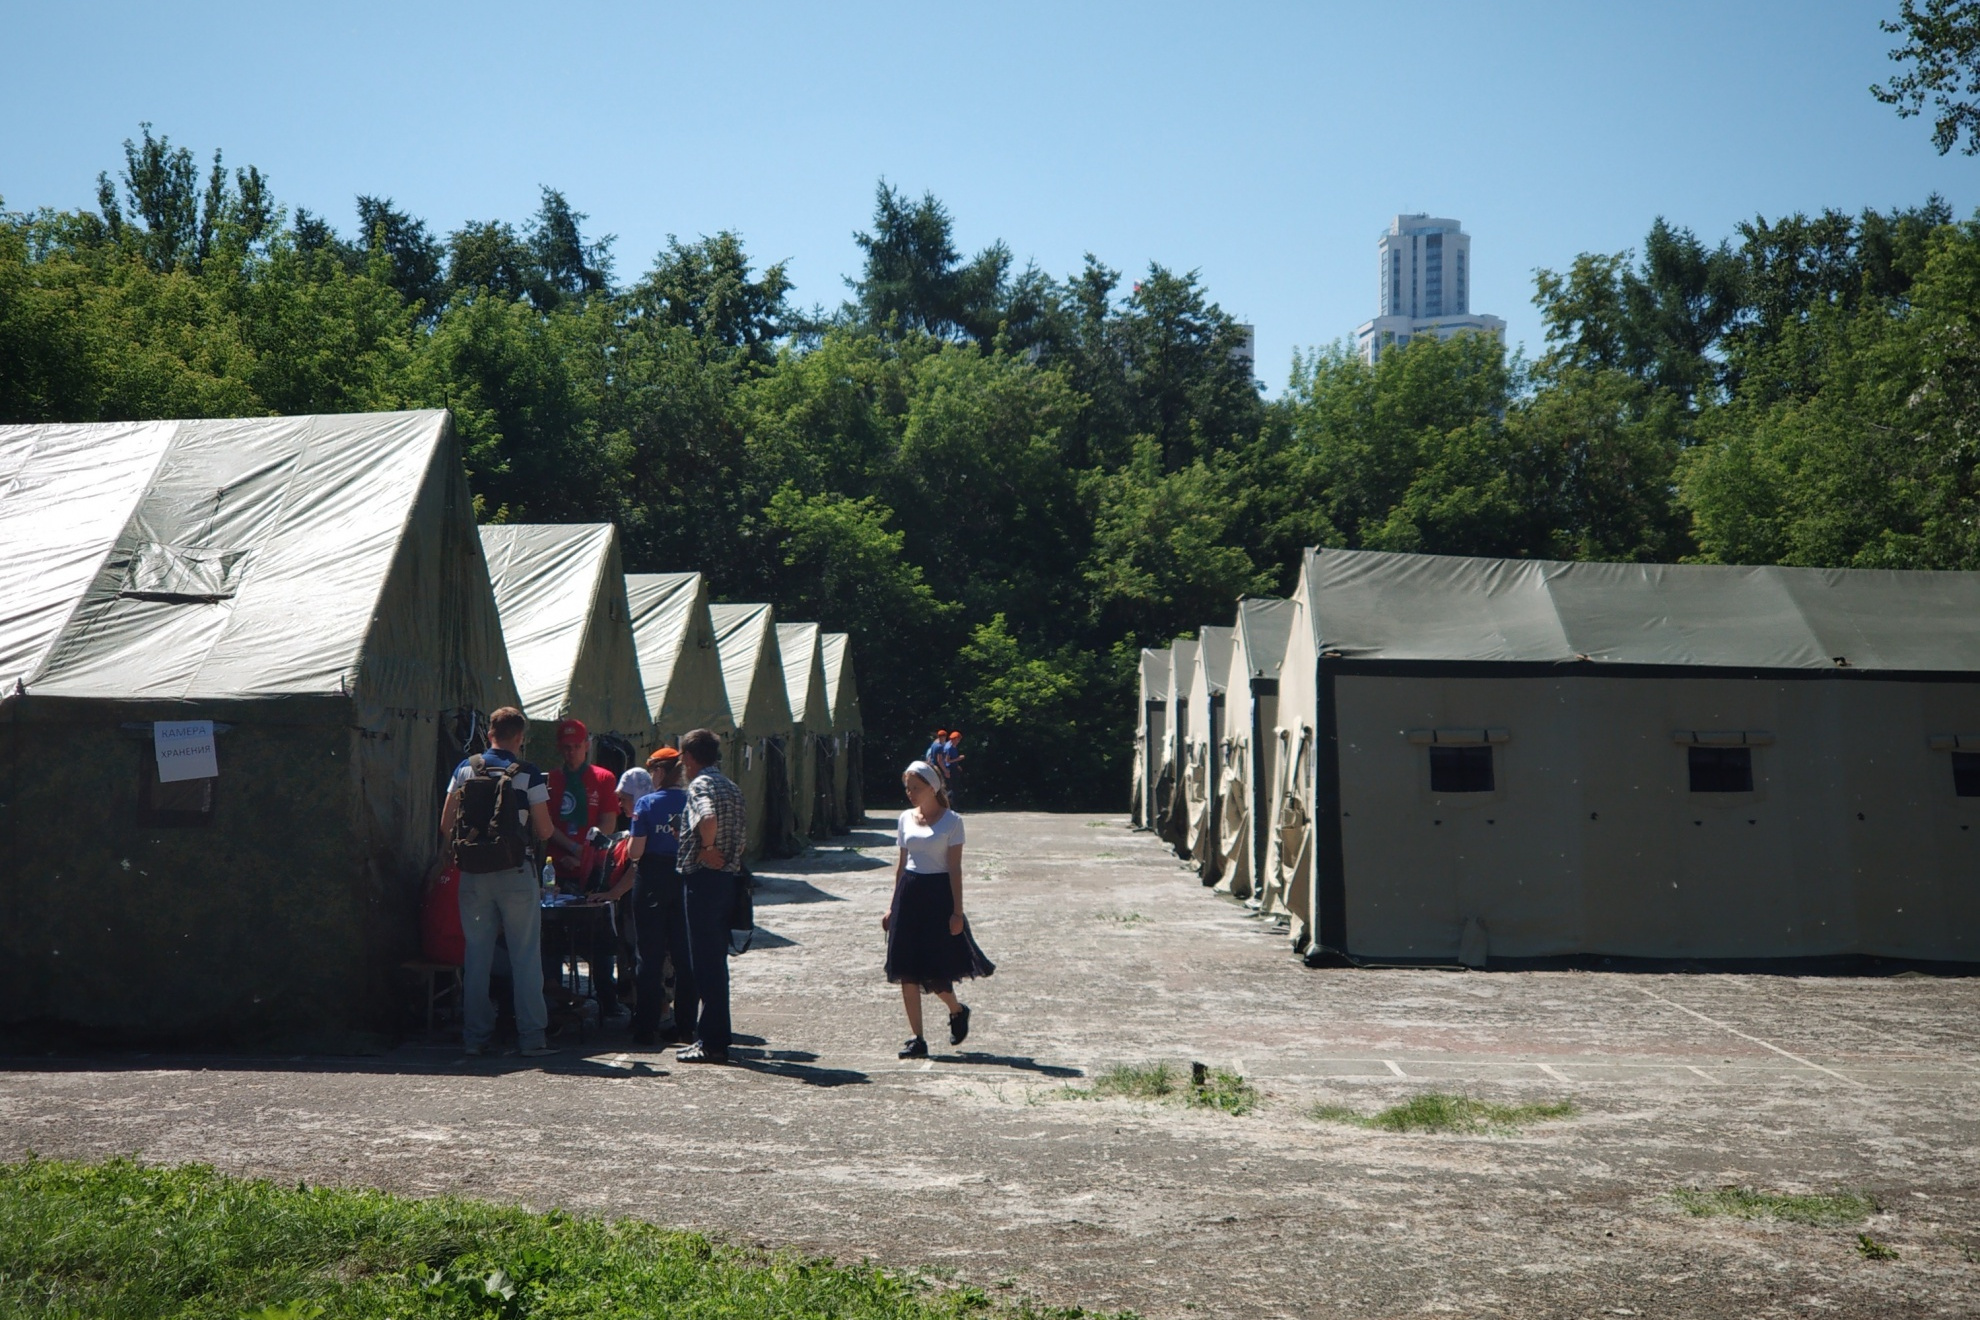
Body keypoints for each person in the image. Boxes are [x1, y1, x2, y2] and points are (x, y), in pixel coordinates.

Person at [440, 706, 555, 1058]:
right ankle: (532, 1038)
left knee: (477, 956)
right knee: (525, 956)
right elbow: (545, 829)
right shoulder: (529, 774)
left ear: (489, 733)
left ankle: (475, 1038)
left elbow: (446, 825)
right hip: (515, 873)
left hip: (474, 874)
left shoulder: (465, 769)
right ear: (519, 738)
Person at [883, 759, 993, 1058]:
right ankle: (916, 1038)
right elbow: (902, 865)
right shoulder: (905, 818)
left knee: (934, 970)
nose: (910, 793)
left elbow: (955, 869)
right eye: (907, 788)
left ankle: (957, 1010)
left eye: (916, 788)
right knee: (905, 969)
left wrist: (957, 913)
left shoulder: (952, 821)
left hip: (938, 896)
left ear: (933, 788)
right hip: (909, 894)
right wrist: (892, 907)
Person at [672, 728, 746, 1062]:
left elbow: (708, 816)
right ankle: (717, 1036)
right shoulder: (731, 786)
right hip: (727, 880)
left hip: (703, 880)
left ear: (688, 757)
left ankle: (710, 1041)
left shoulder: (700, 785)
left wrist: (706, 847)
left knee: (704, 965)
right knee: (716, 963)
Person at [620, 749, 690, 1048]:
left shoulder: (647, 803)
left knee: (648, 956)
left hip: (651, 879)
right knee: (684, 955)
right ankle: (687, 1026)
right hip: (684, 877)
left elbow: (635, 851)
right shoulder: (691, 800)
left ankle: (645, 1026)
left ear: (659, 772)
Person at [546, 719, 618, 892]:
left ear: (587, 745)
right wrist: (572, 847)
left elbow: (608, 823)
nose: (572, 752)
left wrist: (584, 854)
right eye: (567, 747)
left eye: (577, 746)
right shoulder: (551, 779)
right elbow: (546, 825)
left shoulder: (604, 778)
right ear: (559, 748)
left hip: (592, 867)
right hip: (556, 866)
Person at [942, 730, 965, 805]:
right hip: (950, 769)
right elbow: (947, 760)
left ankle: (953, 805)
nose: (958, 741)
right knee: (953, 788)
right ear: (954, 739)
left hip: (954, 767)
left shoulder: (953, 746)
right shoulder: (949, 747)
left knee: (955, 788)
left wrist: (957, 765)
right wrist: (958, 759)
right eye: (958, 739)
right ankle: (953, 806)